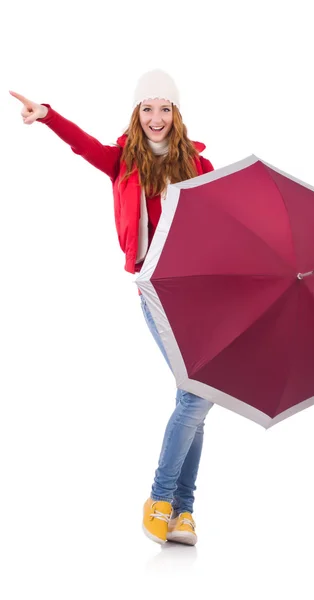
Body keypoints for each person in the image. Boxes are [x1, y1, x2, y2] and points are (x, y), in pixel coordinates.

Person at [9, 69, 215, 547]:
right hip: (157, 293)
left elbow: (224, 222)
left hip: (199, 294)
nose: (156, 117)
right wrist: (47, 117)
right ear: (137, 113)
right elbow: (84, 146)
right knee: (196, 395)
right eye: (148, 108)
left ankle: (183, 512)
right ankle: (163, 499)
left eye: (165, 108)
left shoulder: (200, 167)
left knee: (196, 401)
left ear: (177, 115)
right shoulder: (124, 160)